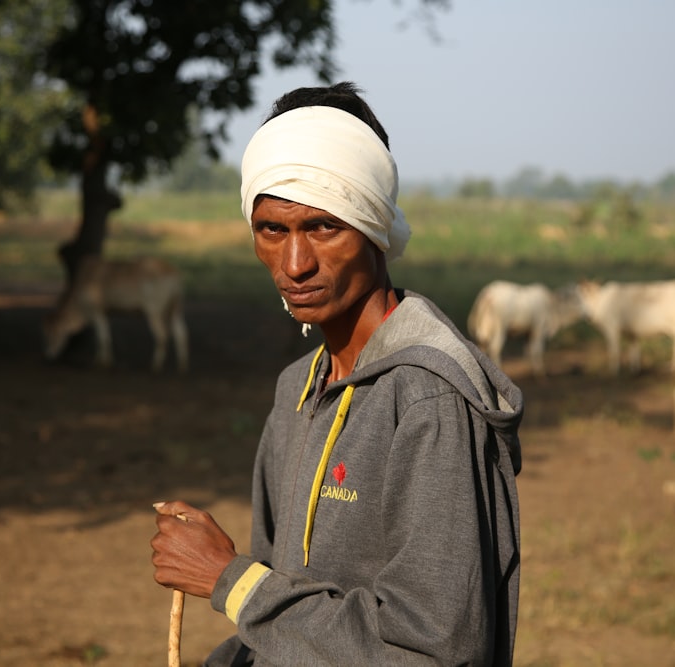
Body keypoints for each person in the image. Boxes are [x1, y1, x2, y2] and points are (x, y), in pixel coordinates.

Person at [152, 81, 524, 666]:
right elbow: (279, 631)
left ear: (374, 227)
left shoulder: (427, 399)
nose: (295, 264)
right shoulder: (296, 390)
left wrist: (230, 579)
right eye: (272, 230)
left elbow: (431, 652)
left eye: (325, 227)